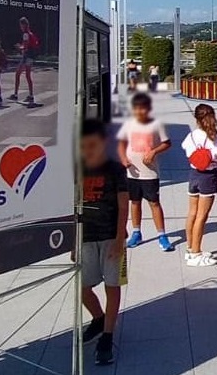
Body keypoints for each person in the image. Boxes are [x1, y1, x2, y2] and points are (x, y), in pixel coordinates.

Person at [80, 119, 129, 366]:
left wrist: (120, 239)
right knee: (82, 288)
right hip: (86, 238)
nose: (88, 151)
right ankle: (98, 318)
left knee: (113, 286)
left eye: (93, 146)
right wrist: (72, 243)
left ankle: (107, 336)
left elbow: (123, 206)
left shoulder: (117, 169)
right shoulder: (77, 169)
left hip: (111, 237)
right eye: (84, 146)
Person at [117, 92, 173, 252]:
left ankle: (162, 235)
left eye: (143, 109)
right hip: (132, 172)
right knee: (134, 202)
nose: (140, 112)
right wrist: (123, 159)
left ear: (148, 109)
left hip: (150, 173)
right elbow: (121, 143)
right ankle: (136, 232)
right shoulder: (128, 124)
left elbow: (167, 143)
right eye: (137, 109)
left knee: (154, 202)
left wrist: (154, 152)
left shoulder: (156, 125)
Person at [181, 104, 217, 266]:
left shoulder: (192, 136)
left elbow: (187, 152)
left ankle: (190, 248)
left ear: (196, 119)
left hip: (193, 174)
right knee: (202, 216)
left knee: (192, 213)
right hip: (208, 177)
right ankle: (196, 253)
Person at [9, 17, 37, 103]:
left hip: (26, 57)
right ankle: (31, 95)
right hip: (31, 56)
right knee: (28, 76)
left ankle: (16, 94)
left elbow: (25, 47)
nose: (20, 27)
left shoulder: (25, 34)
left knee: (17, 74)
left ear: (23, 25)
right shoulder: (30, 33)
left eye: (21, 25)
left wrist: (19, 47)